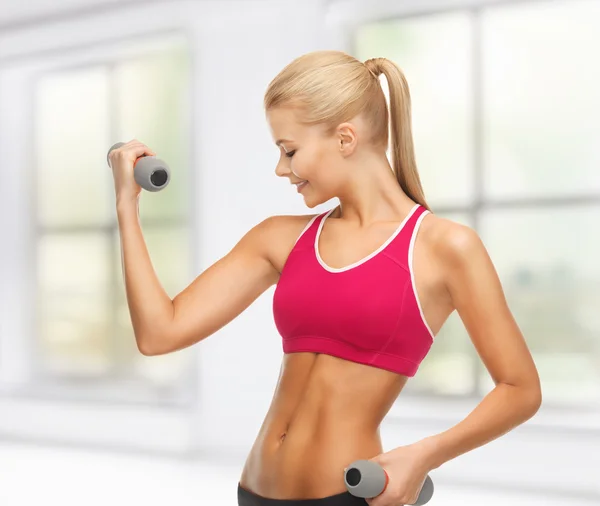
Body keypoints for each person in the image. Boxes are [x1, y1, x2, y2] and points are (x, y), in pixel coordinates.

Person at [108, 50, 542, 506]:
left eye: (289, 150)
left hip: (347, 496)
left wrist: (423, 456)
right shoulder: (280, 239)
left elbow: (520, 389)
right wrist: (126, 207)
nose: (281, 169)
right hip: (253, 493)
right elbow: (159, 334)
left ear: (345, 138)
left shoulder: (444, 248)